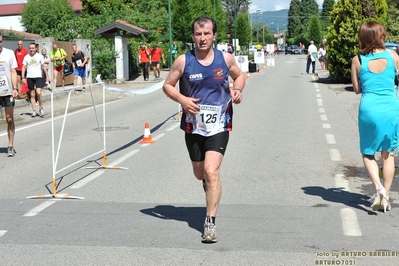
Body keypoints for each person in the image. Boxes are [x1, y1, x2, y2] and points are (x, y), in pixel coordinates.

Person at [162, 16, 245, 243]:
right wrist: (182, 99)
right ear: (193, 37)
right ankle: (207, 185)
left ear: (214, 36)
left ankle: (210, 222)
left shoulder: (225, 59)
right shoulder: (183, 61)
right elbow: (167, 85)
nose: (202, 38)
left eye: (207, 34)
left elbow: (239, 76)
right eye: (198, 34)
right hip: (194, 126)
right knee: (200, 173)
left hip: (219, 124)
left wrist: (237, 90)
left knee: (211, 171)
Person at [351, 21, 399, 213]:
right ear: (380, 36)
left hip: (369, 108)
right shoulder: (393, 55)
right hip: (390, 107)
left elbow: (356, 89)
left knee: (368, 152)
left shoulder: (358, 60)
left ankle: (378, 188)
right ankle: (385, 196)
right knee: (388, 154)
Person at [0, 34, 18, 157]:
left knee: (9, 118)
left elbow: (13, 71)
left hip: (7, 91)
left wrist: (15, 88)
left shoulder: (9, 53)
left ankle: (10, 145)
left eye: (0, 41)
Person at [22, 42, 49, 118]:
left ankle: (41, 107)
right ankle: (34, 110)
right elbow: (23, 67)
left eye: (33, 48)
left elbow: (43, 66)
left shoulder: (39, 56)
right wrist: (23, 77)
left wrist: (47, 76)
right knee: (32, 94)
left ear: (36, 49)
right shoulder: (26, 57)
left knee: (39, 92)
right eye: (30, 48)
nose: (31, 49)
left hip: (38, 76)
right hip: (30, 77)